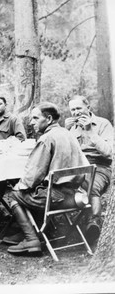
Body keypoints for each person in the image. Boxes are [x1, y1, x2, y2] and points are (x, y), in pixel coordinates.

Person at [5, 102, 89, 255]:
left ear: (49, 119)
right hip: (75, 195)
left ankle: (31, 239)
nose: (31, 122)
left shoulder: (47, 138)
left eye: (36, 118)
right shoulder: (68, 133)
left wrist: (20, 185)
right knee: (37, 190)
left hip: (56, 198)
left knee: (15, 194)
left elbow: (32, 175)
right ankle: (40, 231)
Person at [65, 95, 112, 243]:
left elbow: (108, 152)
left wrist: (90, 131)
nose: (76, 113)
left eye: (79, 108)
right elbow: (64, 152)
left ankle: (93, 222)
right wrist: (65, 133)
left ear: (88, 108)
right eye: (73, 110)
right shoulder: (71, 126)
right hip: (76, 166)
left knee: (91, 185)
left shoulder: (103, 124)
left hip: (99, 165)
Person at [0, 95, 27, 219]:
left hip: (12, 161)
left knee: (5, 183)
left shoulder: (13, 119)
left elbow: (21, 138)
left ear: (5, 105)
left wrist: (6, 143)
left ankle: (24, 211)